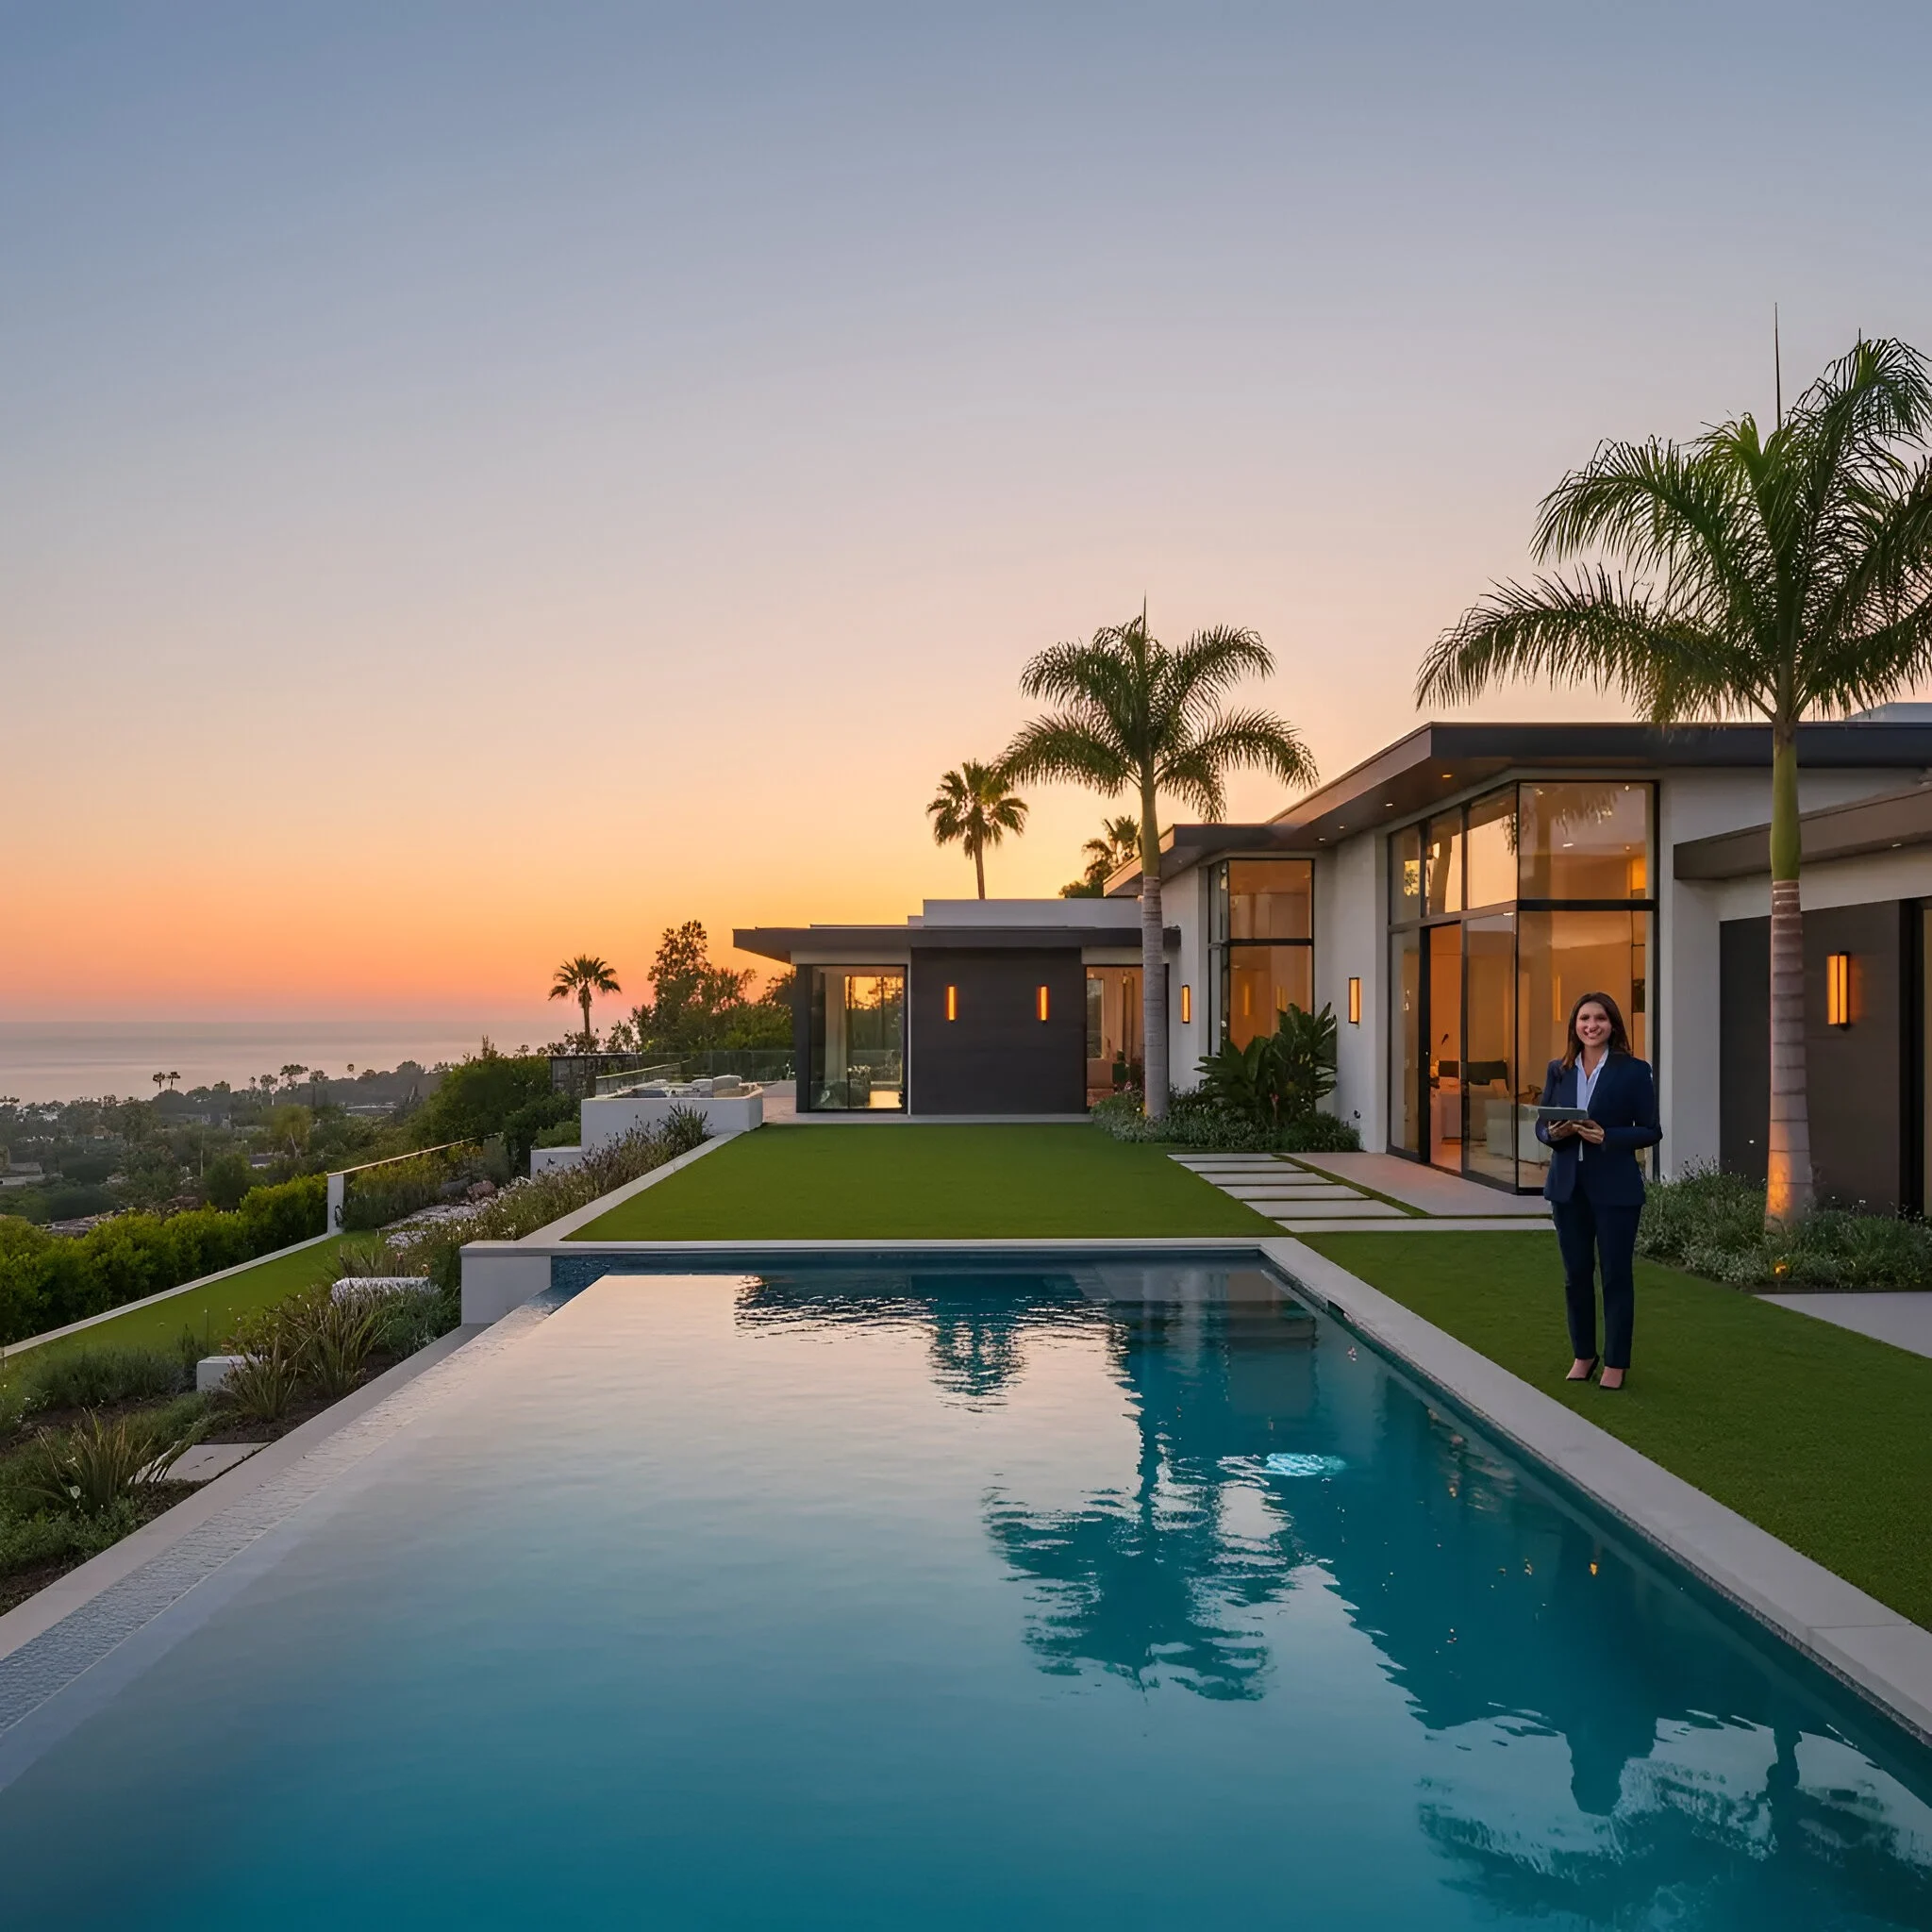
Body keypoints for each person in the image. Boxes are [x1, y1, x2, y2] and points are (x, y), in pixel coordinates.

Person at [1534, 991, 1661, 1391]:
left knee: (1616, 1276)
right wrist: (1553, 1134)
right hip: (1567, 1189)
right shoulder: (1559, 1070)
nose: (1592, 1025)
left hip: (1615, 1190)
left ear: (1612, 1024)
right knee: (1575, 1277)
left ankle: (1616, 1361)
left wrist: (1608, 1135)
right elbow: (1541, 1124)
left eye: (1600, 1019)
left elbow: (1651, 1130)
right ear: (1575, 1025)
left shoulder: (1634, 1071)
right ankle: (1584, 1354)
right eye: (1585, 1018)